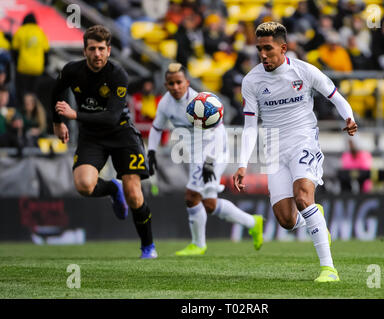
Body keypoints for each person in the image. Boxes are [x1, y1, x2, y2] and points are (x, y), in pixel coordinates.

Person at [233, 22, 358, 282]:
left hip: (303, 139)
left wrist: (349, 117)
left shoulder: (304, 70)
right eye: (259, 49)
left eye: (268, 48)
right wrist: (242, 164)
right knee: (287, 220)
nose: (263, 55)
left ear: (284, 48)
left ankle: (328, 269)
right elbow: (249, 127)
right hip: (273, 148)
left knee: (302, 196)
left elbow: (334, 95)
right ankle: (316, 218)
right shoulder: (252, 81)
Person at [51, 25, 156, 259]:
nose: (96, 54)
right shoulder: (71, 70)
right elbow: (55, 92)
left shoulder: (118, 74)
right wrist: (57, 122)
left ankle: (148, 246)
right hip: (92, 136)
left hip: (121, 133)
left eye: (101, 49)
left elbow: (110, 117)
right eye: (92, 49)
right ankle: (111, 187)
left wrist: (74, 115)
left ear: (108, 50)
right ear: (84, 50)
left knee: (134, 194)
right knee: (84, 185)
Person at [147, 62, 264, 256]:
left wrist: (210, 162)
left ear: (187, 82)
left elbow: (217, 134)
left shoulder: (200, 101)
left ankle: (198, 244)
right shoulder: (165, 102)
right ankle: (253, 222)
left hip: (214, 152)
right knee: (209, 203)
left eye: (179, 82)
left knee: (192, 196)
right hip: (196, 155)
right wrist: (151, 151)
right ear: (166, 85)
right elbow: (157, 128)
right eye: (171, 83)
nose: (175, 87)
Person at [12, 12, 49, 107]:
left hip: (23, 68)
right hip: (37, 68)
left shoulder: (20, 31)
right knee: (34, 94)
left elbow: (15, 50)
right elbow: (46, 52)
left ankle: (23, 110)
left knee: (22, 93)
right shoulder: (40, 32)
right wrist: (44, 66)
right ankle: (34, 112)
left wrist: (16, 65)